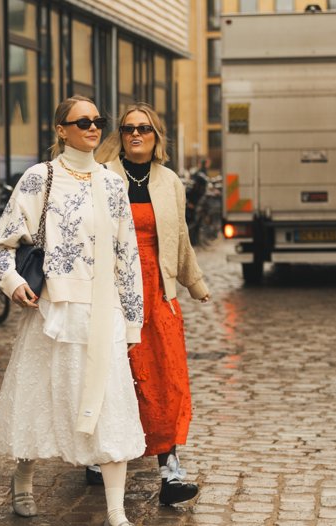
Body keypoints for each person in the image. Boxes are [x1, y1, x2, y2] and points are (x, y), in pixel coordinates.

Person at [0, 95, 145, 526]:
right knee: (37, 401)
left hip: (104, 311)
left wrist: (132, 322)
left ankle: (116, 511)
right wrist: (14, 283)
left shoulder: (113, 184)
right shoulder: (40, 178)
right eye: (82, 122)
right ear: (61, 130)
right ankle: (23, 479)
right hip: (51, 311)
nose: (93, 128)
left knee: (110, 406)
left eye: (98, 121)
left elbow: (127, 256)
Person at [96, 102, 210, 505]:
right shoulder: (103, 177)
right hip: (112, 292)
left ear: (156, 136)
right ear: (120, 136)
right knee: (116, 375)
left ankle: (170, 469)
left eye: (144, 128)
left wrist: (194, 282)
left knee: (166, 378)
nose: (136, 134)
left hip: (159, 292)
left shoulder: (169, 181)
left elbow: (179, 237)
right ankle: (100, 454)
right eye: (128, 129)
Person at [186, 159, 209, 245]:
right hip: (195, 205)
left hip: (193, 206)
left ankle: (194, 240)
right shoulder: (200, 187)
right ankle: (194, 240)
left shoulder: (195, 188)